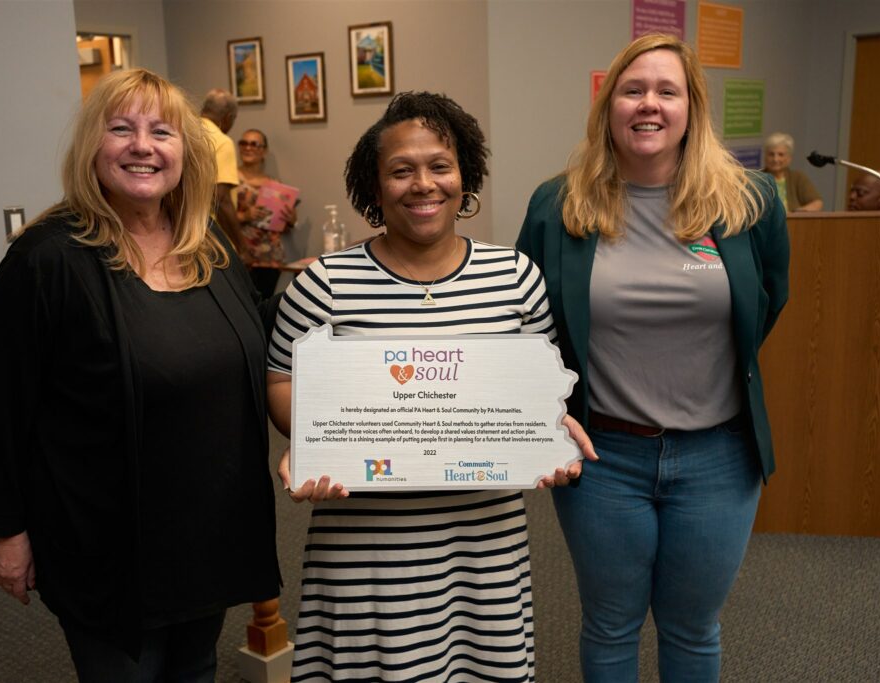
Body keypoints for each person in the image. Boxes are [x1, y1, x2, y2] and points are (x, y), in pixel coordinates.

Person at [0, 68, 281, 682]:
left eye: (162, 131)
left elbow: (255, 340)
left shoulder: (207, 243)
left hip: (208, 533)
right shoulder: (47, 258)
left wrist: (332, 295)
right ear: (92, 146)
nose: (143, 145)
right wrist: (6, 532)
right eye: (121, 128)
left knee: (197, 669)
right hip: (104, 542)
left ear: (185, 151)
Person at [266, 91, 597, 681]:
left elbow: (543, 387)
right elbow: (282, 381)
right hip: (367, 547)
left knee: (482, 666)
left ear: (464, 174)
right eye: (401, 170)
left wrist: (551, 432)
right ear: (375, 184)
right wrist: (317, 435)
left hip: (484, 545)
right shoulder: (324, 284)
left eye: (440, 166)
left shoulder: (515, 277)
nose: (423, 184)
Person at [517, 34, 789, 682]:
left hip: (719, 457)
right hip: (603, 458)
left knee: (693, 628)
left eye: (668, 91)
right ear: (608, 105)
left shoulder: (749, 201)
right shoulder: (558, 205)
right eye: (633, 89)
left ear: (692, 107)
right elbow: (525, 323)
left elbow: (768, 301)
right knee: (609, 624)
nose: (650, 104)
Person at [236, 128, 298, 297]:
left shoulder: (274, 185)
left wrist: (290, 219)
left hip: (269, 257)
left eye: (254, 144)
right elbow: (216, 216)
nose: (248, 148)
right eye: (244, 143)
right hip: (240, 253)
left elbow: (283, 226)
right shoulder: (230, 179)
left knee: (264, 304)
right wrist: (244, 216)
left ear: (264, 151)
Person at [200, 87, 243, 251]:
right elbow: (221, 199)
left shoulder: (184, 132)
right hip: (212, 237)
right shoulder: (221, 142)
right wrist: (241, 247)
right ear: (228, 118)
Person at [761, 131, 823, 211]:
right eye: (771, 154)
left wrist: (799, 213)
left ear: (789, 158)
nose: (775, 159)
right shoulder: (756, 178)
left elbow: (817, 202)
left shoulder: (798, 177)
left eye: (781, 154)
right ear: (765, 156)